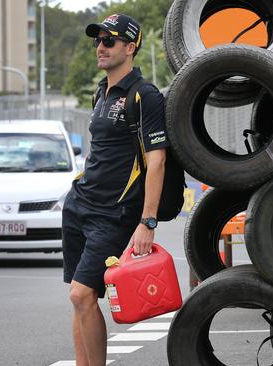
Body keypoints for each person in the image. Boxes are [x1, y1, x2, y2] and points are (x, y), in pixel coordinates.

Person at [61, 14, 168, 366]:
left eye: (109, 40)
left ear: (130, 47)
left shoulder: (145, 96)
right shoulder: (101, 91)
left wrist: (147, 222)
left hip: (114, 213)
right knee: (80, 299)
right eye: (98, 41)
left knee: (82, 294)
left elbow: (157, 162)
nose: (100, 47)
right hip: (80, 206)